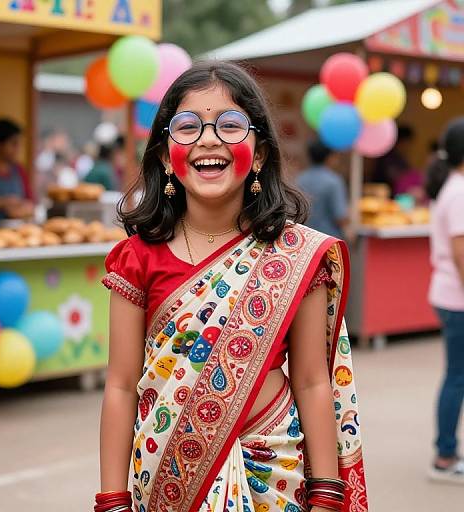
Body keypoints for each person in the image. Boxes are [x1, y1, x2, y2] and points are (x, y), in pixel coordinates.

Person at [98, 61, 367, 512]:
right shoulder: (138, 258)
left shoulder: (296, 256)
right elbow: (122, 385)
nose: (208, 138)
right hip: (168, 477)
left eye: (230, 124)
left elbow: (312, 380)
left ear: (259, 154)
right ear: (165, 155)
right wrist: (112, 500)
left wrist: (325, 493)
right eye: (187, 126)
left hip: (277, 472)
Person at [426, 117, 464, 483]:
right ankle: (445, 454)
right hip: (458, 298)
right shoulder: (459, 191)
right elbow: (460, 251)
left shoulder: (451, 187)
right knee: (457, 377)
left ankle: (447, 450)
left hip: (450, 294)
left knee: (456, 375)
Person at [296, 139, 348, 239]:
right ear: (329, 157)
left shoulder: (300, 179)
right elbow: (340, 216)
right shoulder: (333, 181)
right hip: (328, 239)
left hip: (305, 238)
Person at [372, 125, 424, 199]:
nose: (409, 147)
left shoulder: (401, 158)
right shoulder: (388, 157)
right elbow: (395, 176)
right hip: (385, 196)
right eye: (407, 143)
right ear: (400, 142)